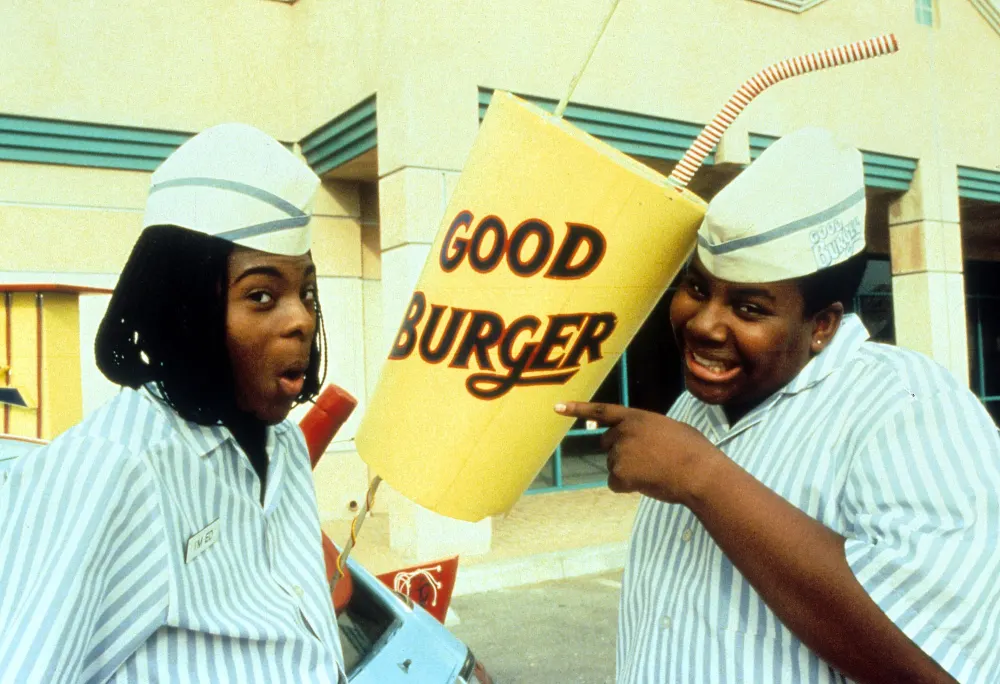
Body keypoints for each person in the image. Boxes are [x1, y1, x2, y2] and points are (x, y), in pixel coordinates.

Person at [556, 128, 1000, 683]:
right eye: (697, 288)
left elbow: (936, 668)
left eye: (747, 307)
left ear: (821, 326)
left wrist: (701, 476)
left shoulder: (908, 407)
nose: (703, 323)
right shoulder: (695, 408)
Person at [0, 123, 347, 683]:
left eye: (305, 291)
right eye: (262, 295)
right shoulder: (111, 464)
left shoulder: (282, 445)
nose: (301, 318)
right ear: (185, 311)